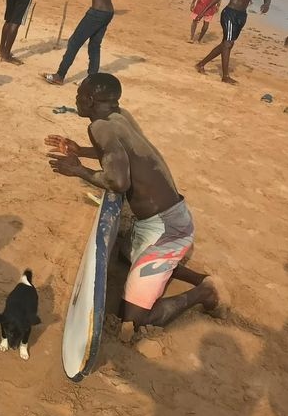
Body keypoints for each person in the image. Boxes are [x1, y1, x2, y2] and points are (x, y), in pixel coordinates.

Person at [45, 73, 222, 328]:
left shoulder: (99, 127)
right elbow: (120, 153)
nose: (76, 98)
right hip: (170, 216)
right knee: (124, 255)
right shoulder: (120, 116)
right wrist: (79, 150)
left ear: (90, 99)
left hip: (167, 230)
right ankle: (192, 276)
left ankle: (204, 292)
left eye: (79, 94)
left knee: (134, 319)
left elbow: (118, 182)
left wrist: (78, 170)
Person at [194, 0, 271, 84]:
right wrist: (203, 11)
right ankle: (225, 76)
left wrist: (267, 3)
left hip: (241, 16)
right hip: (229, 13)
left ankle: (201, 64)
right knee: (228, 43)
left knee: (227, 44)